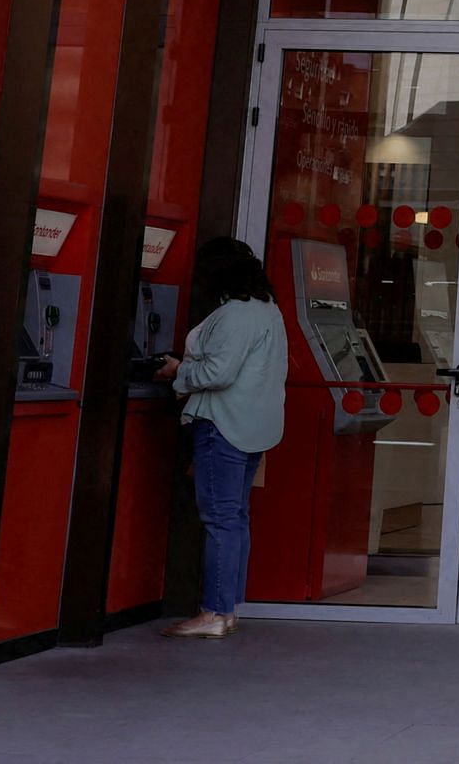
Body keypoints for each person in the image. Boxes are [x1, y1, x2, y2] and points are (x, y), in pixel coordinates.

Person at [159, 236, 287, 638]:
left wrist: (178, 373)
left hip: (223, 425)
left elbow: (217, 373)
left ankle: (213, 612)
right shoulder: (269, 311)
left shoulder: (234, 315)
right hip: (253, 427)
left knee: (219, 520)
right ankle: (227, 609)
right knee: (236, 518)